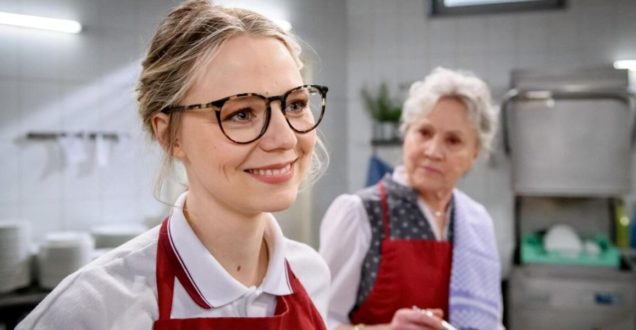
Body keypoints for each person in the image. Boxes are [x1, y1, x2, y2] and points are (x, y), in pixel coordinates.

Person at [18, 0, 331, 329]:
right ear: (169, 135)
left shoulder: (311, 273)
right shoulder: (95, 309)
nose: (285, 138)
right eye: (241, 113)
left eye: (295, 104)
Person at [320, 67, 503, 330]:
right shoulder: (360, 213)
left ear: (474, 154)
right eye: (424, 133)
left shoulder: (476, 221)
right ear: (406, 134)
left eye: (453, 140)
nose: (433, 151)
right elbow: (316, 320)